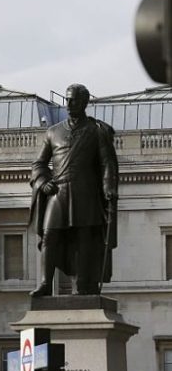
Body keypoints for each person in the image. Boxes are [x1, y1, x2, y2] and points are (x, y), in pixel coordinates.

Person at [29, 84, 118, 296]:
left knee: (84, 240)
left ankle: (84, 285)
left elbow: (107, 164)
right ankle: (44, 284)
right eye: (67, 99)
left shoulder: (97, 131)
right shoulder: (53, 132)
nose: (69, 104)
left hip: (86, 194)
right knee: (49, 235)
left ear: (85, 102)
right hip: (58, 193)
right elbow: (38, 164)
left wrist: (108, 188)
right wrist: (43, 182)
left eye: (74, 100)